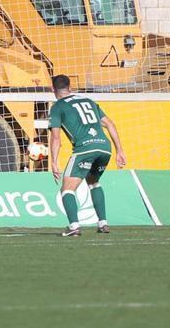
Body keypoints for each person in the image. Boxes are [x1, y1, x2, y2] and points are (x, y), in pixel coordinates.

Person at [48, 74, 127, 237]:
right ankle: (103, 223)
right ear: (70, 88)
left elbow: (56, 138)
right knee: (94, 181)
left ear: (53, 90)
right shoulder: (89, 101)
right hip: (105, 148)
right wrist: (120, 150)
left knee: (67, 189)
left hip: (85, 148)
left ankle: (74, 226)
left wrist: (54, 162)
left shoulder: (57, 107)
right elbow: (110, 124)